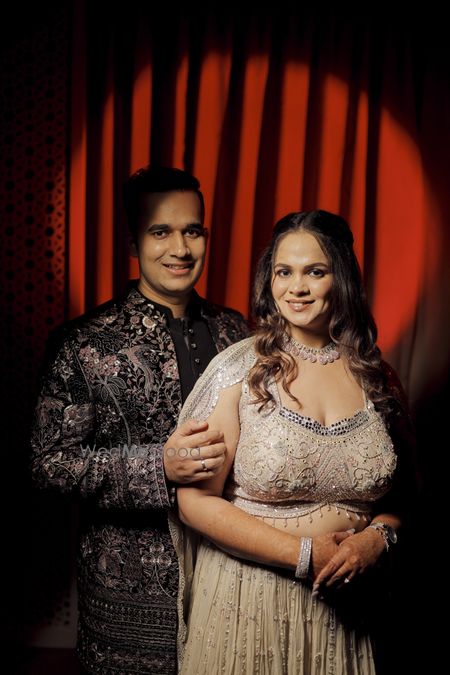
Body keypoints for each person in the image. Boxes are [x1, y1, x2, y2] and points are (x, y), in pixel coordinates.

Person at [170, 210, 417, 674]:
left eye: (315, 272)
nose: (296, 288)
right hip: (247, 601)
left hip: (350, 609)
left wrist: (377, 539)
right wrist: (303, 554)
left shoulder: (376, 375)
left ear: (342, 278)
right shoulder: (238, 371)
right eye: (284, 272)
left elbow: (406, 496)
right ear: (269, 280)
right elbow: (195, 502)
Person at [30, 166, 249, 674]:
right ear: (133, 243)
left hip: (233, 576)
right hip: (128, 596)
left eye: (192, 230)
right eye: (160, 232)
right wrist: (157, 467)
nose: (180, 248)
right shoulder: (84, 343)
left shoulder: (236, 332)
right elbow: (48, 464)